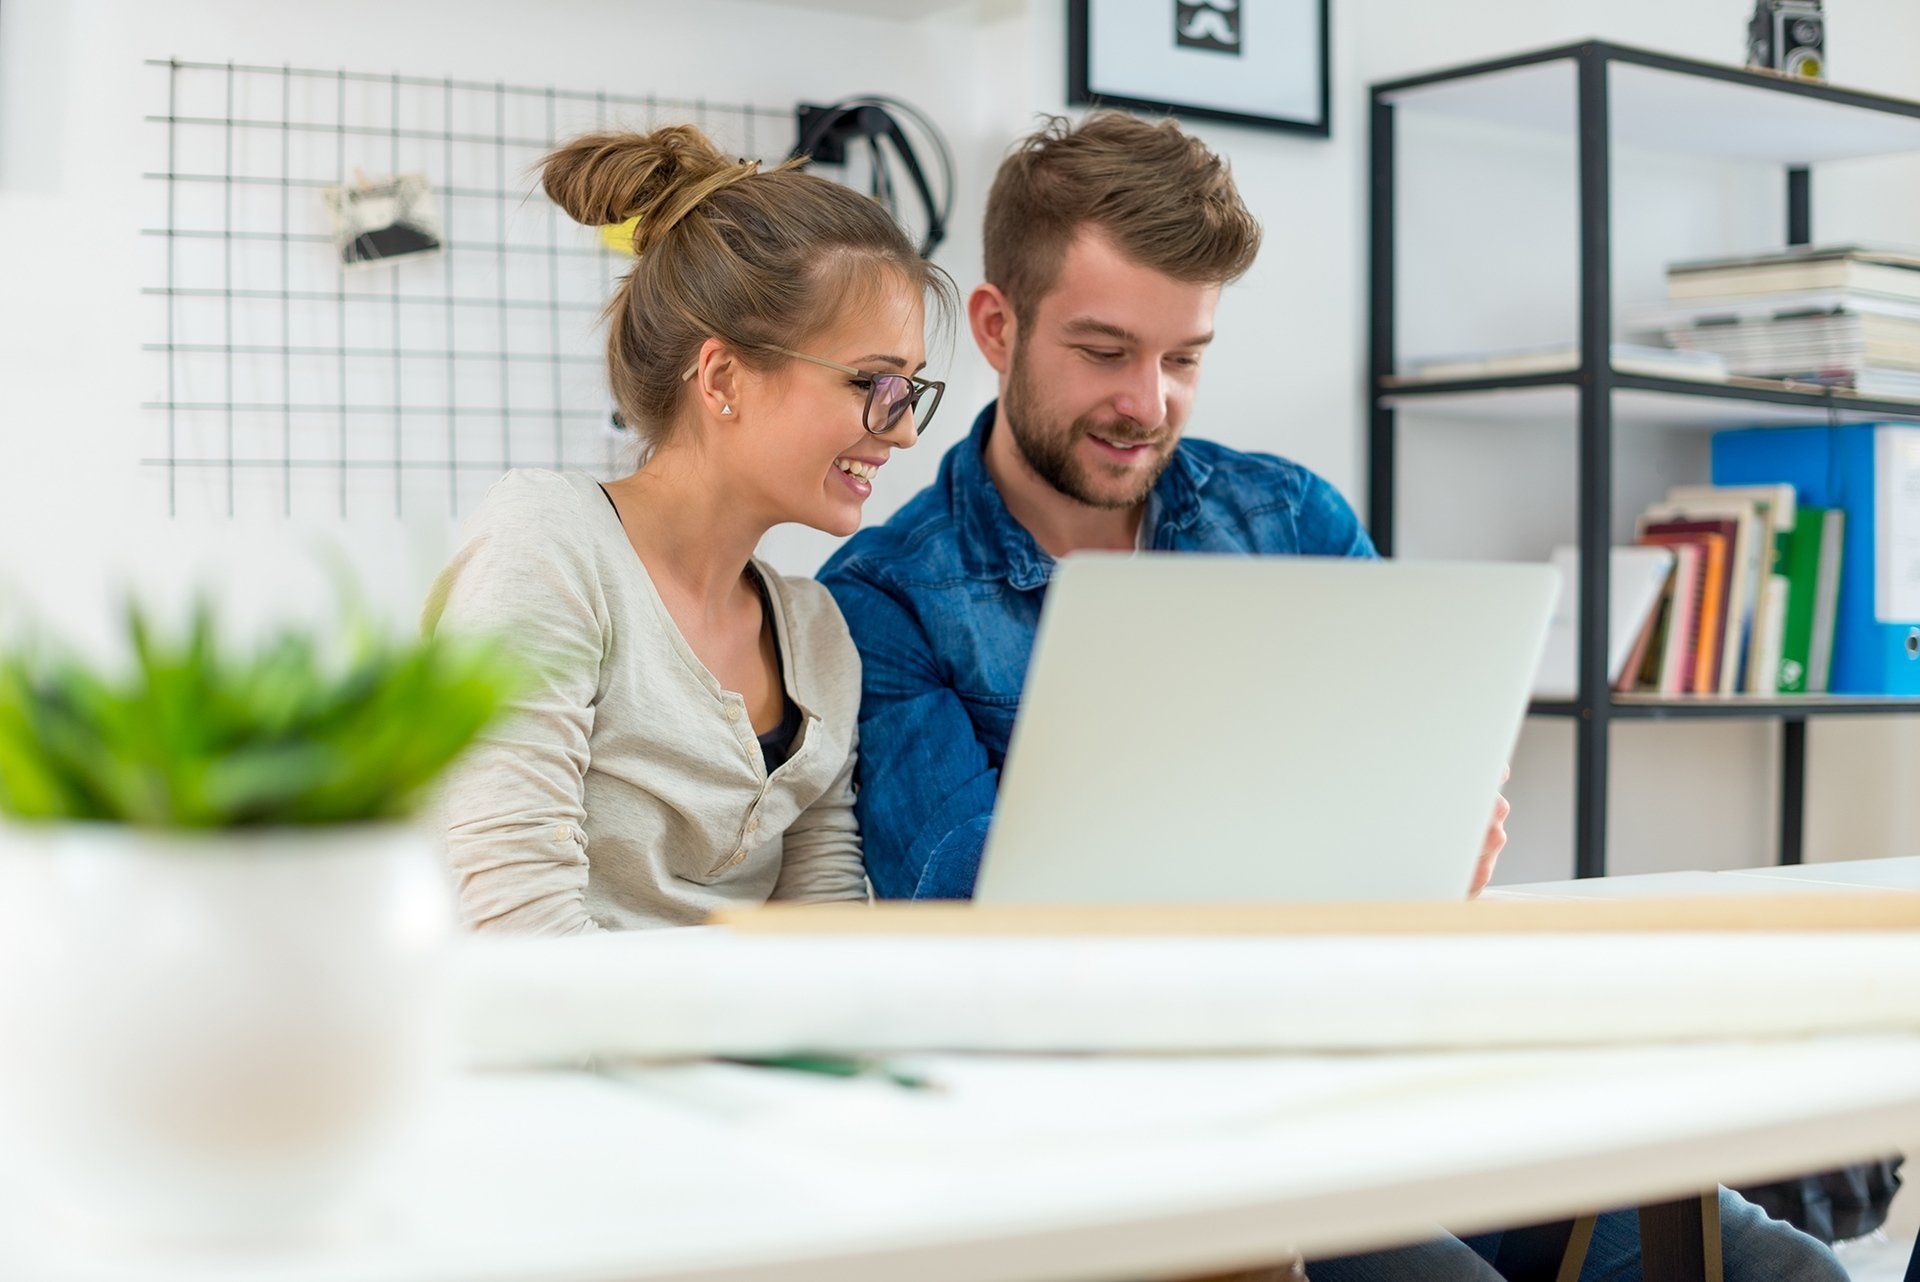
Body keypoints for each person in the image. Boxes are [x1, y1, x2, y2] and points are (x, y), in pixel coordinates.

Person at [819, 110, 1843, 1282]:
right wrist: (1326, 863)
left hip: (1384, 1051)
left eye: (1185, 357)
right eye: (1104, 351)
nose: (1148, 401)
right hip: (1139, 1127)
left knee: (1781, 1269)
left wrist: (1435, 833)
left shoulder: (1288, 517)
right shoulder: (883, 599)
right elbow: (970, 903)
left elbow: (1418, 763)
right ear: (998, 328)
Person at [423, 123, 952, 933]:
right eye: (874, 383)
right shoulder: (550, 546)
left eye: (910, 389)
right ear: (724, 377)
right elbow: (515, 927)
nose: (905, 430)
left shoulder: (814, 634)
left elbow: (825, 936)